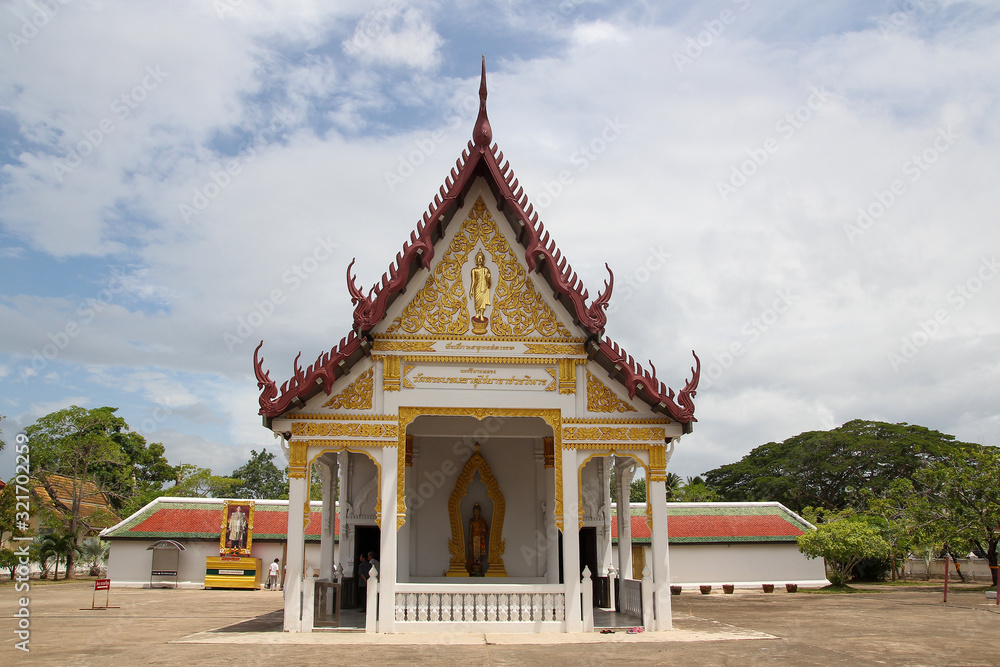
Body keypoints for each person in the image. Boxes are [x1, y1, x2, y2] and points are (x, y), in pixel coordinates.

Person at [469, 249, 492, 320]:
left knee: (482, 302)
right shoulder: (474, 270)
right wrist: (471, 290)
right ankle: (477, 313)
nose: (479, 260)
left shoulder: (485, 270)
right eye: (478, 259)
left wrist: (488, 277)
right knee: (477, 301)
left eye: (481, 259)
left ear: (483, 260)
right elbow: (473, 281)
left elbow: (489, 283)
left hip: (483, 288)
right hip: (477, 287)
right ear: (476, 260)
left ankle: (481, 315)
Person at [468, 502, 488, 575]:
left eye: (478, 511)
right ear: (473, 512)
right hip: (474, 537)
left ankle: (478, 562)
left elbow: (486, 529)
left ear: (480, 512)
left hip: (480, 537)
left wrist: (483, 530)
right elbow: (470, 531)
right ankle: (474, 562)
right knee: (474, 551)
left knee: (479, 550)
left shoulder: (482, 521)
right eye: (475, 511)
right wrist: (469, 539)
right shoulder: (472, 521)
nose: (476, 513)